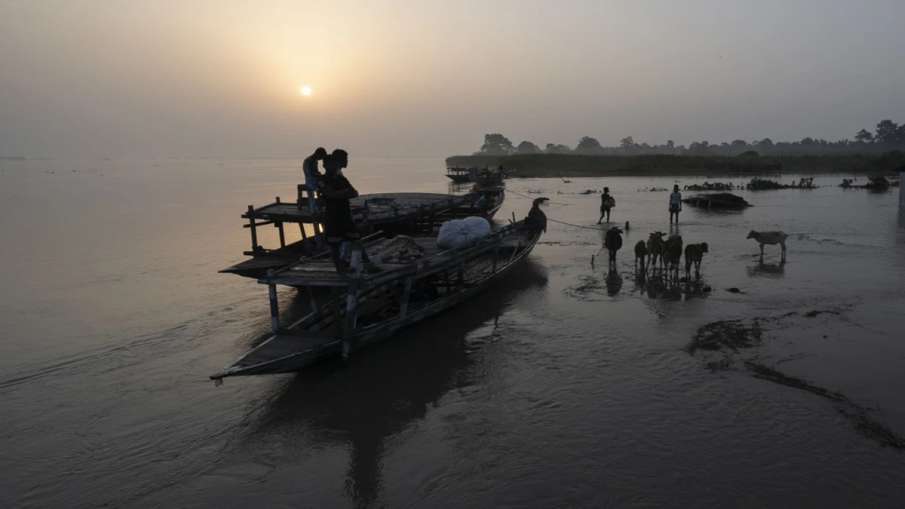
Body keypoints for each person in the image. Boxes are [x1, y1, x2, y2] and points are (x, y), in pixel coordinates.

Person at [318, 150, 376, 273]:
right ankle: (341, 269)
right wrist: (343, 193)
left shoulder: (341, 178)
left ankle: (367, 264)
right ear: (333, 163)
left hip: (344, 213)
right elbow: (330, 194)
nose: (346, 162)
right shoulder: (323, 179)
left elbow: (354, 192)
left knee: (355, 239)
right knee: (334, 244)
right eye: (344, 159)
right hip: (332, 215)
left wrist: (339, 194)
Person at [302, 147, 327, 214]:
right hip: (311, 181)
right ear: (318, 154)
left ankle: (318, 207)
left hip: (312, 180)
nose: (321, 159)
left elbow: (315, 172)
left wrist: (319, 175)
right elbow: (311, 173)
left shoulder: (313, 160)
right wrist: (320, 176)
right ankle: (318, 208)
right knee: (325, 186)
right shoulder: (310, 160)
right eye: (321, 157)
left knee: (324, 184)